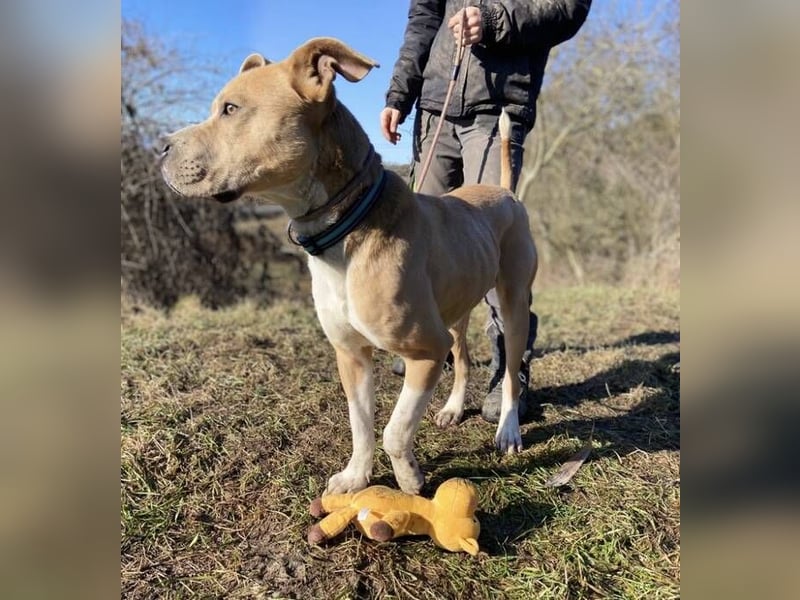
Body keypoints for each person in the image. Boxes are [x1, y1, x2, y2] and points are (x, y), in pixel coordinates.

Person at [380, 0, 591, 423]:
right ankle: (443, 357)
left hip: (497, 108)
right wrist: (400, 92)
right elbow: (424, 18)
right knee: (421, 246)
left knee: (494, 248)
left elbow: (567, 9)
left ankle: (509, 373)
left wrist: (495, 20)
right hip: (436, 107)